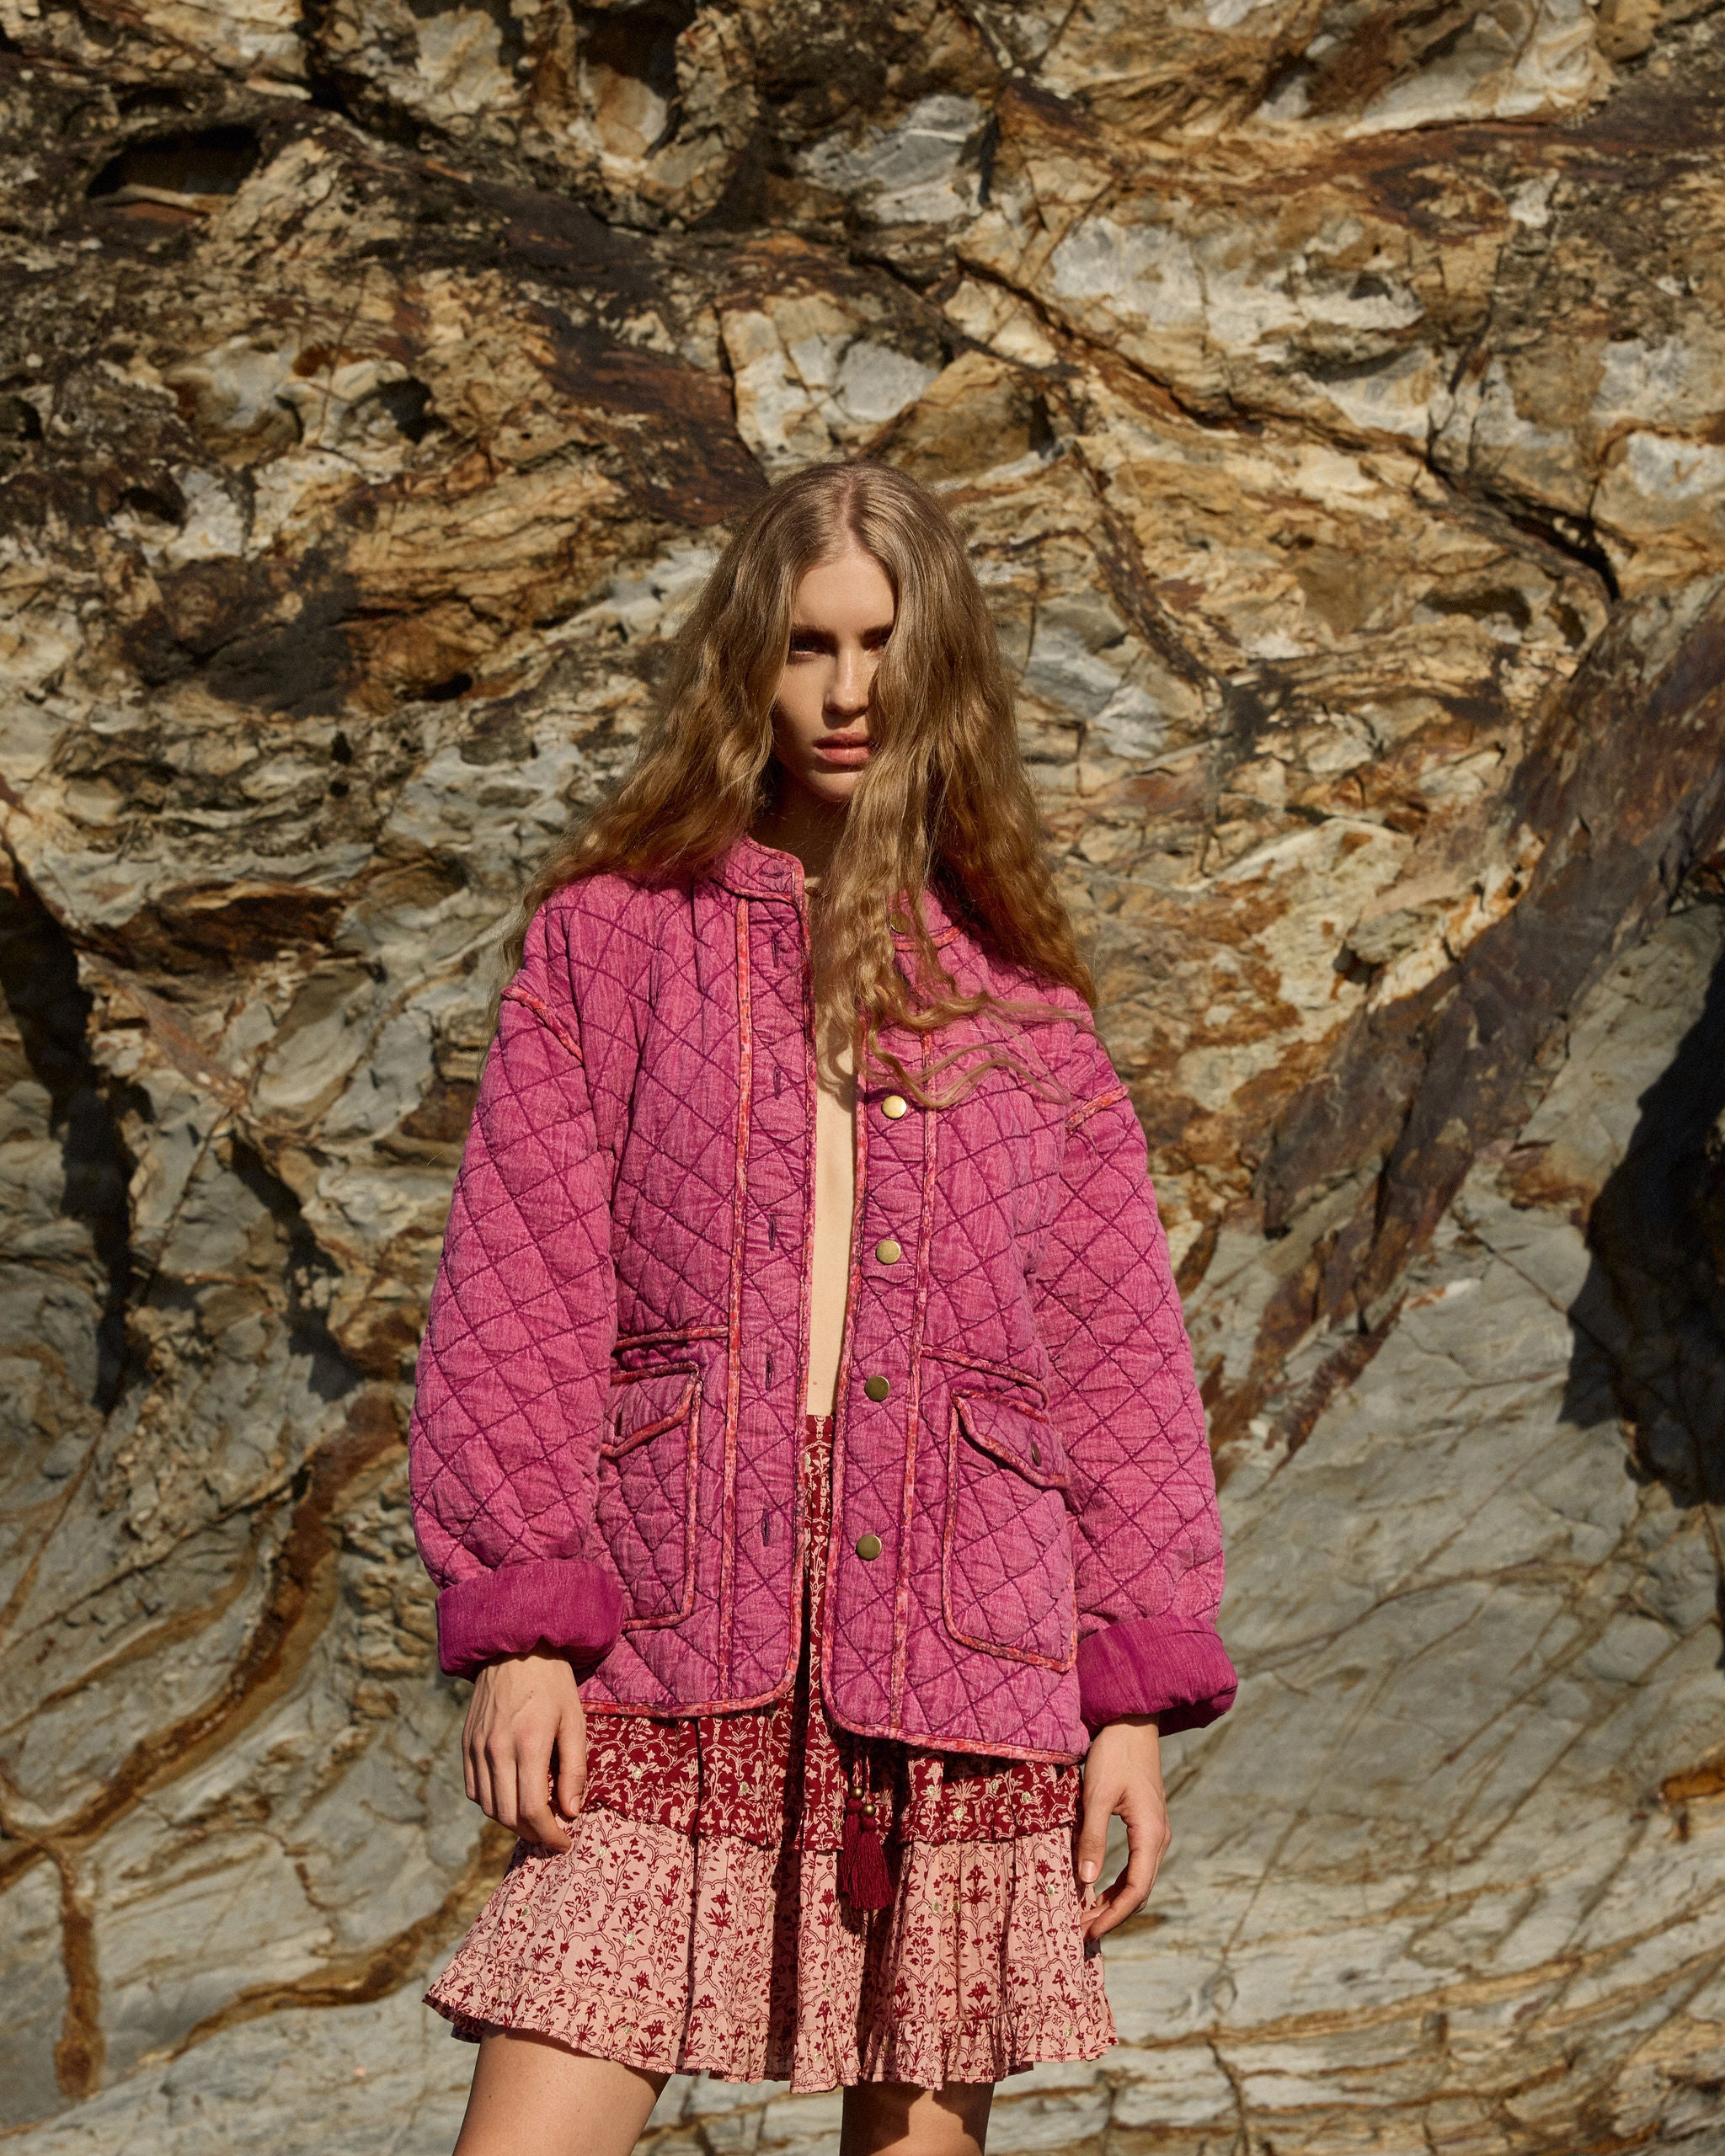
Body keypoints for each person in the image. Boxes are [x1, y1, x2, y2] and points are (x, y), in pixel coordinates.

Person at [407, 459, 1236, 2156]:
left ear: (945, 669)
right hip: (666, 1636)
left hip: (959, 1660)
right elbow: (524, 1285)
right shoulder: (609, 944)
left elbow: (1115, 1367)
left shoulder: (1028, 1008)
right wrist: (521, 1630)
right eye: (808, 645)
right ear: (749, 661)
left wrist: (1128, 1703)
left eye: (883, 645)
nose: (849, 691)